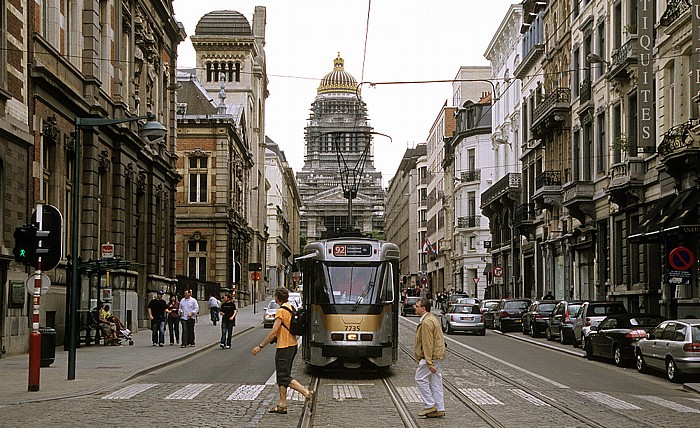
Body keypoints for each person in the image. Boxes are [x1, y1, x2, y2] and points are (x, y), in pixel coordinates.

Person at [252, 286, 314, 415]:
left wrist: (260, 346)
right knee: (282, 376)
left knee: (283, 377)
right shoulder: (290, 308)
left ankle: (306, 393)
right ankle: (282, 404)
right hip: (292, 345)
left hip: (284, 347)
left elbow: (274, 332)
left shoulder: (280, 311)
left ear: (276, 297)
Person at [414, 296, 446, 418]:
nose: (414, 308)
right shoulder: (431, 318)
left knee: (420, 378)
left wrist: (429, 362)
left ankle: (429, 405)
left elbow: (427, 343)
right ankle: (439, 407)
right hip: (437, 355)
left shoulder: (426, 322)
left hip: (431, 356)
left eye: (416, 306)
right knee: (435, 381)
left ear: (423, 308)